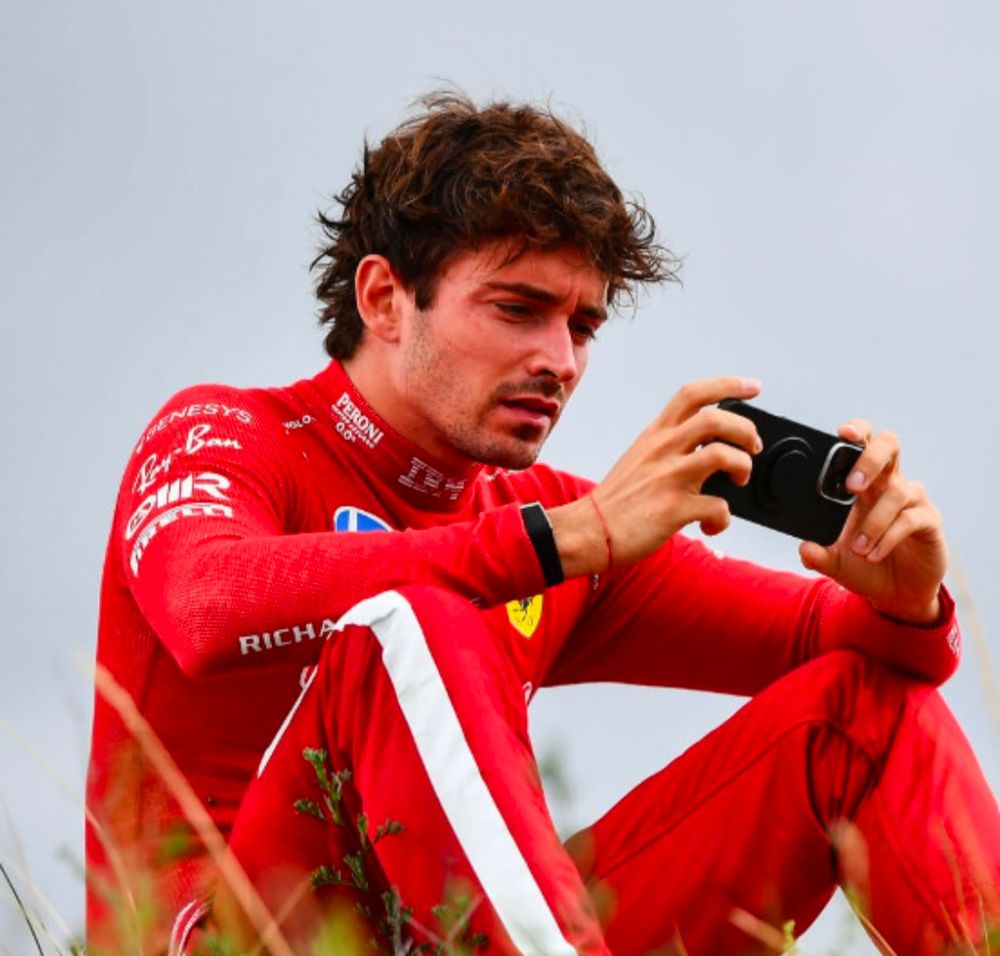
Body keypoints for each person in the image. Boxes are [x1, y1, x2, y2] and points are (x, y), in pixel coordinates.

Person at [86, 91, 999, 956]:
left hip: (474, 929)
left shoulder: (557, 521)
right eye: (518, 309)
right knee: (414, 622)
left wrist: (907, 602)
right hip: (234, 935)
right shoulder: (226, 432)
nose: (558, 359)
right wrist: (562, 542)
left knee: (864, 714)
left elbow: (848, 646)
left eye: (584, 326)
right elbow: (203, 606)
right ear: (384, 300)